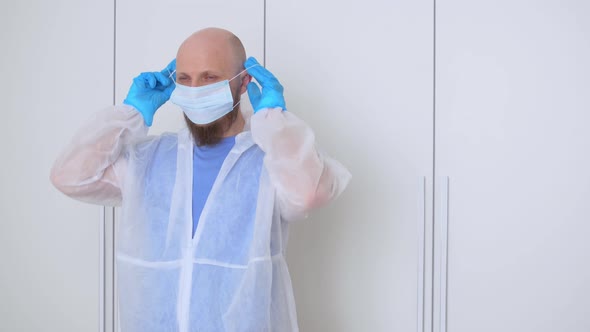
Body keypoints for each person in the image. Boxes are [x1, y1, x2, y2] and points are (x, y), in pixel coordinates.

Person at [50, 27, 350, 332]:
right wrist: (132, 113)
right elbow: (71, 176)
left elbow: (309, 193)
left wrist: (274, 121)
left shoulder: (271, 161)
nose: (195, 89)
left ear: (244, 82)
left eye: (209, 78)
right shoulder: (150, 161)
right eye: (184, 79)